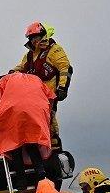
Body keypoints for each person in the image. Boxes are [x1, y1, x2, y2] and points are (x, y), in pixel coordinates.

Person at [12, 22, 72, 154]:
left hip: (49, 93)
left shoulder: (54, 50)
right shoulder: (30, 55)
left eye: (36, 37)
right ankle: (35, 150)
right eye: (32, 39)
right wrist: (11, 74)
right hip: (33, 96)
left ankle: (54, 150)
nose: (34, 41)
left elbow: (65, 68)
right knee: (32, 121)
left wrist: (62, 88)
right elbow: (21, 67)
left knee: (49, 120)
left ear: (42, 35)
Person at [0, 72, 54, 185]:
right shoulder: (37, 79)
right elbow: (51, 96)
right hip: (35, 111)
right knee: (32, 142)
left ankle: (21, 179)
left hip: (13, 111)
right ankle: (40, 171)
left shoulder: (6, 79)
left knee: (14, 146)